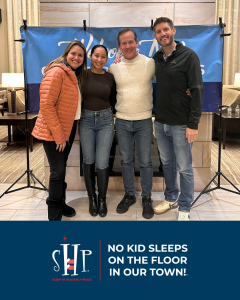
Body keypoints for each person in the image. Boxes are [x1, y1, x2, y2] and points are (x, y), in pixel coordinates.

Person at [153, 17, 203, 220]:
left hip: (182, 124)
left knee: (184, 167)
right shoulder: (156, 58)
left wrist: (193, 123)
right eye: (158, 31)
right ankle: (171, 197)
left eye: (165, 29)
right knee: (168, 164)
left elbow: (197, 90)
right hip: (161, 122)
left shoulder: (188, 55)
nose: (162, 34)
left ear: (173, 31)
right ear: (155, 36)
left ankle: (184, 206)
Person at [32, 40, 87, 221]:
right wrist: (59, 136)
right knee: (57, 173)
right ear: (66, 54)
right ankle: (54, 217)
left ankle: (61, 204)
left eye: (80, 55)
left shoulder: (72, 74)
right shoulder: (57, 72)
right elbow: (47, 106)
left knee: (61, 170)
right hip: (53, 132)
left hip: (67, 129)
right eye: (73, 53)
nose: (76, 57)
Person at [108, 28, 155, 219]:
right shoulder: (114, 68)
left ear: (137, 42)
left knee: (145, 161)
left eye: (131, 42)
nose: (127, 46)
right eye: (123, 43)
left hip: (144, 120)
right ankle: (129, 195)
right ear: (119, 46)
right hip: (122, 120)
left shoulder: (150, 63)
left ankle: (146, 197)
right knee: (126, 161)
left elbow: (167, 83)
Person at [79, 45, 116, 218]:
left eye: (103, 56)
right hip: (86, 120)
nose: (99, 59)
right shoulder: (82, 74)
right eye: (96, 56)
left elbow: (114, 99)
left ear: (106, 58)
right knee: (88, 160)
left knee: (102, 162)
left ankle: (102, 199)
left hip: (106, 121)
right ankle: (91, 198)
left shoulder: (110, 77)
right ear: (90, 56)